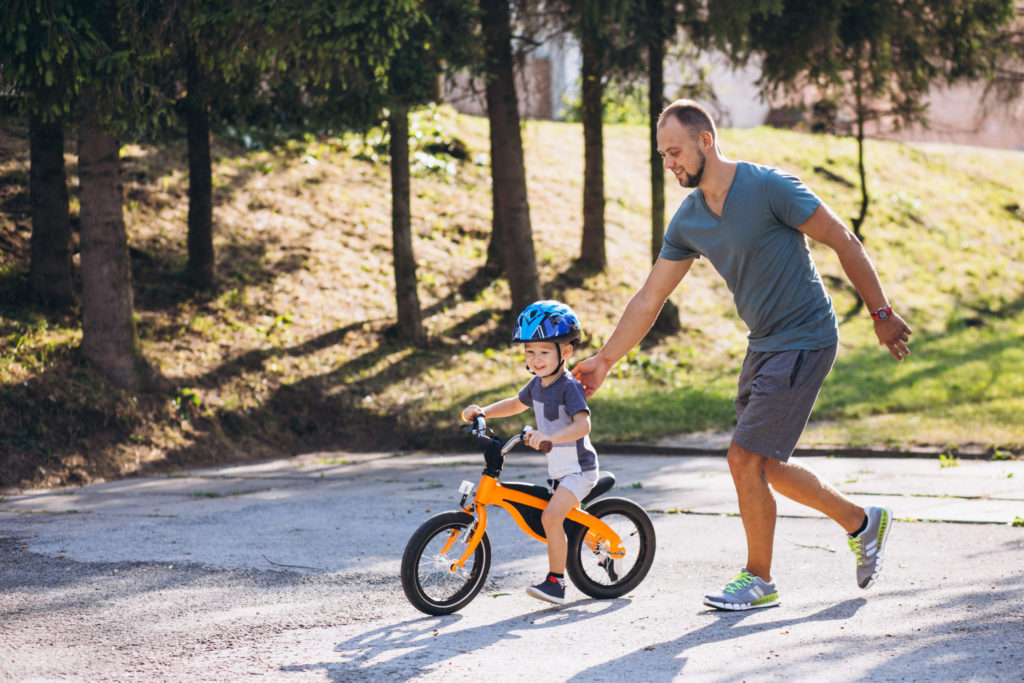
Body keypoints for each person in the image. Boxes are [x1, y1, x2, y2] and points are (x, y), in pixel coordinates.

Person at [573, 99, 912, 611]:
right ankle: (862, 523)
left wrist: (881, 314)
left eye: (676, 152)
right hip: (764, 343)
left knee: (743, 458)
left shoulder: (769, 187)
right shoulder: (689, 219)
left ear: (706, 141)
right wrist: (605, 359)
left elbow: (842, 239)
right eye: (663, 155)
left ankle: (759, 579)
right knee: (765, 466)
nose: (670, 164)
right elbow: (650, 298)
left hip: (806, 335)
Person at [462, 300, 598, 606]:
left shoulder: (568, 387)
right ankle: (581, 548)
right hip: (559, 471)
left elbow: (583, 425)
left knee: (551, 517)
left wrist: (550, 437)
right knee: (553, 517)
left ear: (565, 352)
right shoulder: (537, 384)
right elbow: (514, 403)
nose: (536, 359)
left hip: (580, 469)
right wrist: (483, 411)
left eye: (544, 352)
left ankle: (556, 583)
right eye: (530, 352)